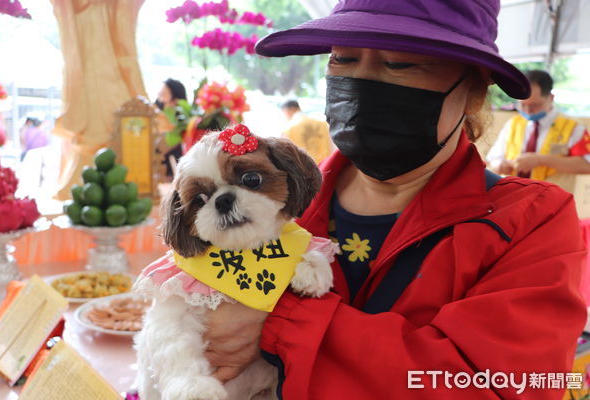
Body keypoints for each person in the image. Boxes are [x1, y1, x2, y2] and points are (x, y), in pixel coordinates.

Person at [202, 1, 587, 399]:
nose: (361, 82)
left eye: (400, 64)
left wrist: (278, 324)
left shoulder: (527, 222)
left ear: (473, 87)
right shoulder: (273, 201)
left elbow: (495, 387)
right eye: (343, 59)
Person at [486, 70, 590, 180]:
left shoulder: (573, 127)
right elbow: (493, 158)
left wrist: (541, 160)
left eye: (535, 105)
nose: (528, 111)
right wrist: (500, 164)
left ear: (551, 98)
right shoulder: (513, 124)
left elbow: (587, 165)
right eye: (522, 105)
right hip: (515, 193)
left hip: (553, 195)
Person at [280, 99, 332, 164]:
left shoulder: (288, 128)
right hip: (326, 166)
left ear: (288, 110)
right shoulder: (323, 124)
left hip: (305, 170)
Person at [155, 78, 187, 178]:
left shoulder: (181, 111)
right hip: (159, 145)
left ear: (175, 95)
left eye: (164, 92)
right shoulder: (156, 107)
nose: (160, 93)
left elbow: (177, 133)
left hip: (173, 146)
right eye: (161, 91)